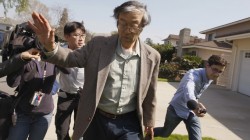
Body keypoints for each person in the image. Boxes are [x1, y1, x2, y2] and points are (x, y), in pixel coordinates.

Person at [28, 1, 160, 140]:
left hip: (128, 124)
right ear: (117, 23)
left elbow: (151, 92)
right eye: (122, 22)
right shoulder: (98, 45)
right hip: (96, 119)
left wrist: (149, 122)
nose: (127, 29)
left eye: (133, 23)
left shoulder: (152, 56)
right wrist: (51, 47)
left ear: (142, 26)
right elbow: (71, 58)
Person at [154, 55, 227, 140]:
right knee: (165, 133)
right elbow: (189, 90)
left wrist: (198, 104)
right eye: (215, 69)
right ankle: (143, 132)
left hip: (190, 111)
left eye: (220, 72)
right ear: (207, 65)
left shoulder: (210, 77)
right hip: (176, 109)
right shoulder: (192, 75)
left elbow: (195, 94)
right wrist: (195, 107)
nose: (217, 74)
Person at [6, 50, 57, 140]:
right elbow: (12, 83)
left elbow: (67, 71)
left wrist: (52, 90)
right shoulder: (27, 58)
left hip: (44, 114)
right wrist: (20, 60)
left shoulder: (53, 57)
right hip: (23, 113)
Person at [55, 21, 86, 140]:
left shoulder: (90, 52)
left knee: (81, 131)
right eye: (76, 35)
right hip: (65, 96)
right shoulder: (59, 53)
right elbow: (52, 73)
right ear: (66, 36)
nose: (81, 39)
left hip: (83, 97)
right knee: (61, 130)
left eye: (83, 35)